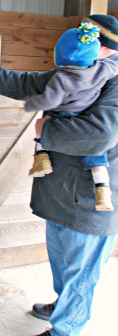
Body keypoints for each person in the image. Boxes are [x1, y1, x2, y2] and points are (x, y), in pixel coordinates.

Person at [0, 14, 118, 336]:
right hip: (65, 191)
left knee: (81, 270)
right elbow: (32, 83)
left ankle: (66, 335)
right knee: (64, 260)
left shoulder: (113, 81)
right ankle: (64, 305)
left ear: (102, 48)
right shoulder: (79, 71)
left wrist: (45, 131)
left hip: (90, 199)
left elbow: (102, 134)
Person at [25, 21, 118, 212]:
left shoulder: (62, 76)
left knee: (43, 127)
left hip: (62, 116)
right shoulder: (104, 71)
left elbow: (49, 100)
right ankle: (102, 189)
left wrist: (31, 104)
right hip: (82, 120)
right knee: (96, 156)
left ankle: (41, 157)